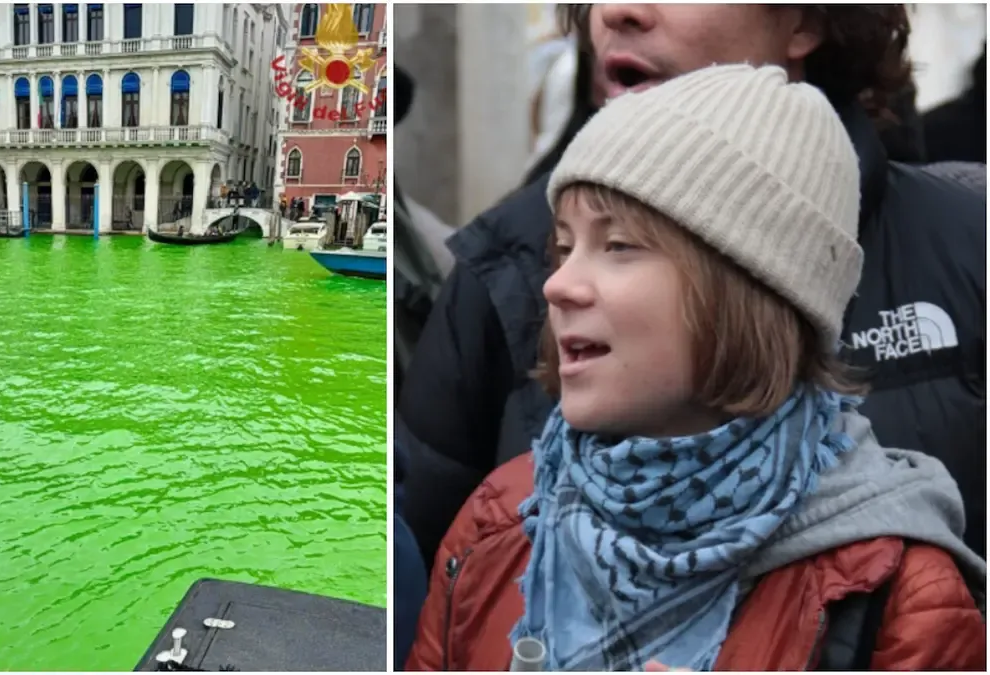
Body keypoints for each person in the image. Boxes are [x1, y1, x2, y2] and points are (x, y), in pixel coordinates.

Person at [406, 65, 986, 672]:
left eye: (619, 245)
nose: (559, 284)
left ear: (749, 290)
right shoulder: (501, 519)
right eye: (564, 246)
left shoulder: (894, 593)